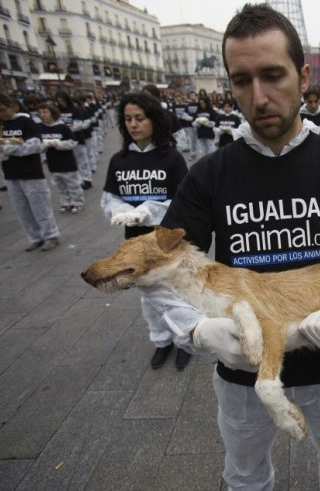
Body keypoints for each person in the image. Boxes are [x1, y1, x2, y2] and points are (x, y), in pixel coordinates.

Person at [156, 5, 320, 489]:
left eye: (273, 75)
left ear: (304, 75)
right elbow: (164, 270)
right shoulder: (209, 175)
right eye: (241, 80)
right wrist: (196, 330)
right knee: (245, 473)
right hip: (245, 370)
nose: (259, 97)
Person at [101, 92, 192, 370]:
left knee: (178, 292)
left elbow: (183, 201)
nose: (133, 124)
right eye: (128, 119)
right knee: (148, 295)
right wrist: (119, 211)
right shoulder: (119, 160)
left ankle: (184, 339)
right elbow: (110, 197)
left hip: (166, 242)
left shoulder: (172, 158)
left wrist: (148, 210)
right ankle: (161, 341)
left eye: (140, 118)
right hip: (136, 242)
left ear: (154, 120)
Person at [0, 91, 60, 251]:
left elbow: (34, 146)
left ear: (12, 106)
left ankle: (50, 235)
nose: (0, 114)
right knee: (22, 209)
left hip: (31, 172)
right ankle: (35, 237)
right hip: (10, 173)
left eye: (2, 110)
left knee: (40, 206)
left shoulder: (25, 121)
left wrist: (7, 148)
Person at [36, 102, 84, 214]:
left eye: (45, 112)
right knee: (60, 185)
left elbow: (73, 142)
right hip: (53, 162)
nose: (43, 115)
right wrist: (44, 146)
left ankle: (77, 202)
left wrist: (57, 144)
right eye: (40, 113)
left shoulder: (63, 127)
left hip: (67, 161)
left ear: (52, 113)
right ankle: (66, 202)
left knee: (73, 184)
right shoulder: (40, 128)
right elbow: (38, 145)